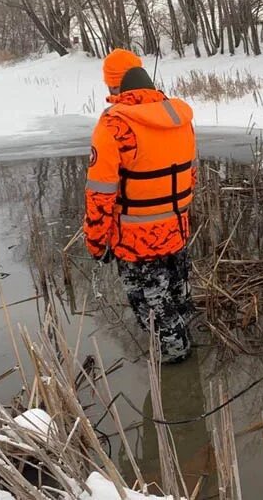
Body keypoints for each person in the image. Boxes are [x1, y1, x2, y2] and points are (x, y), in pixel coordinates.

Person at [84, 49, 197, 364]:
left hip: (137, 243)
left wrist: (96, 243)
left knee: (154, 312)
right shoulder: (180, 117)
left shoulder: (113, 126)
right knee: (178, 301)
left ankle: (175, 380)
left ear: (113, 87)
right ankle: (190, 359)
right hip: (176, 231)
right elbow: (192, 176)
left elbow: (99, 194)